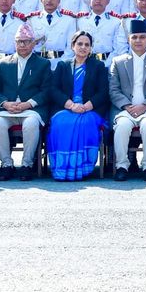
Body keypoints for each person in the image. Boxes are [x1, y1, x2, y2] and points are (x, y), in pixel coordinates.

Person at [108, 19, 146, 181]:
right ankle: (122, 166)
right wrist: (128, 106)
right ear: (129, 39)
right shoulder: (118, 62)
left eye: (142, 37)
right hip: (125, 110)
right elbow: (113, 89)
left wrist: (145, 105)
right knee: (122, 126)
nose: (138, 41)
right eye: (134, 37)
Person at [0, 23, 52, 181]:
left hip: (31, 109)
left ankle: (27, 164)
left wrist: (28, 104)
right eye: (19, 41)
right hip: (8, 109)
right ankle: (6, 164)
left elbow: (46, 91)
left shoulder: (43, 64)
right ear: (14, 42)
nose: (22, 45)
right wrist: (5, 104)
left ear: (34, 43)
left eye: (26, 41)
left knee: (31, 124)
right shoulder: (3, 63)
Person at [46, 30, 110, 181]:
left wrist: (86, 106)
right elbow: (53, 89)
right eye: (79, 44)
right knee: (61, 122)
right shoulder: (62, 65)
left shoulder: (98, 66)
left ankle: (82, 168)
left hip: (90, 109)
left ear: (91, 48)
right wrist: (70, 105)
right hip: (66, 108)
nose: (83, 47)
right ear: (72, 46)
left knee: (85, 122)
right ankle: (62, 169)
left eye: (87, 45)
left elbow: (104, 92)